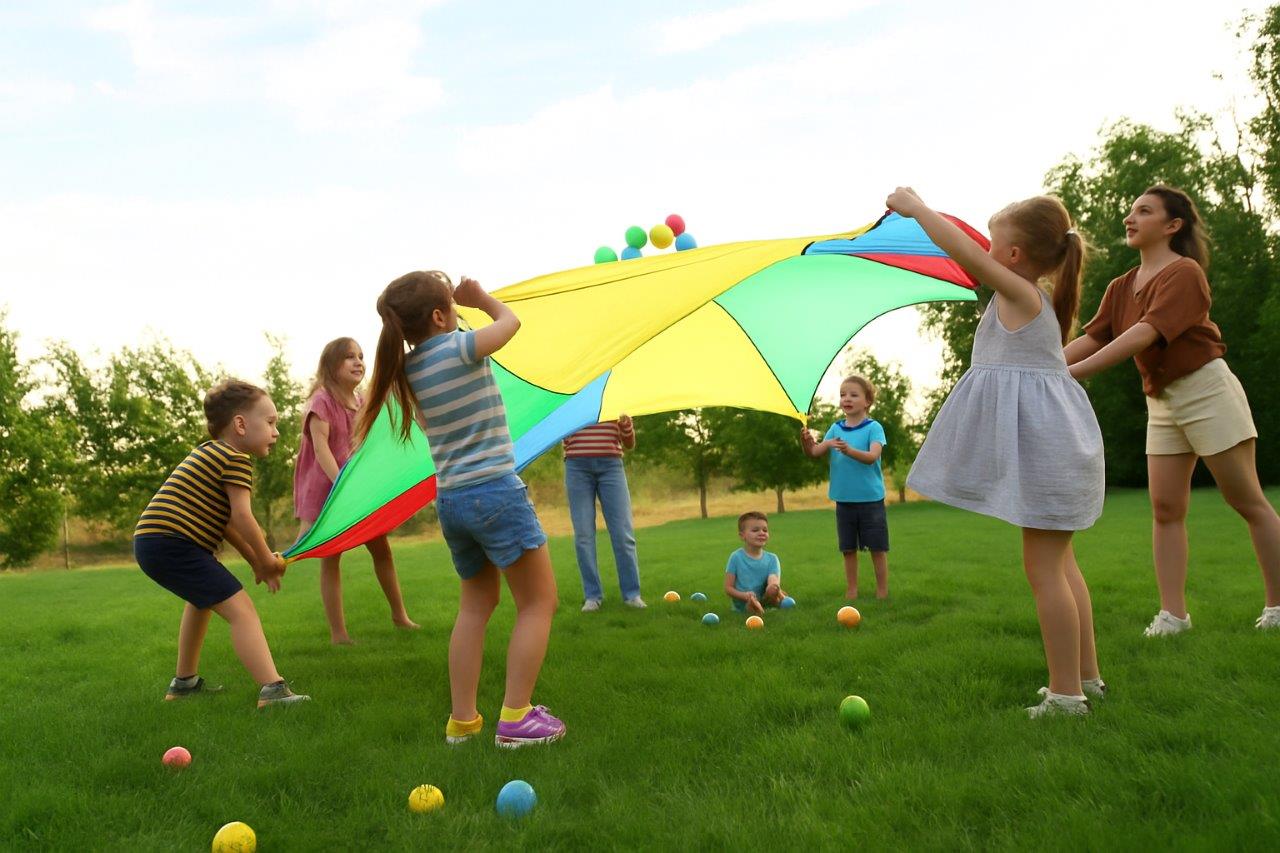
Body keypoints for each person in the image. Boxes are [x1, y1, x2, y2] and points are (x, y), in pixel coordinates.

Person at [889, 187, 1107, 718]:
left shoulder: (1021, 295)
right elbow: (974, 254)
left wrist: (918, 210)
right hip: (1057, 451)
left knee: (1045, 571)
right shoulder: (1030, 300)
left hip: (1052, 454)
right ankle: (1086, 678)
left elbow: (965, 254)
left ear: (1012, 256)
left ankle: (1067, 697)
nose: (985, 250)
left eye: (993, 243)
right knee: (1062, 565)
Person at [357, 270, 564, 748]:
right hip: (494, 492)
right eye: (451, 307)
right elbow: (511, 323)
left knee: (476, 606)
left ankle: (463, 721)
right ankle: (516, 717)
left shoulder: (406, 373)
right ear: (438, 316)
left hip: (451, 500)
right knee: (538, 603)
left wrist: (459, 307)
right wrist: (481, 299)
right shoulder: (459, 347)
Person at [1065, 184, 1280, 635]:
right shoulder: (1121, 286)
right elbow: (1095, 337)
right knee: (1165, 508)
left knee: (1247, 501)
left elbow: (1145, 333)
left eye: (1144, 211)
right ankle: (1173, 616)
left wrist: (1072, 374)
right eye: (1131, 211)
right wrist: (1042, 365)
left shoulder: (1185, 273)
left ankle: (1278, 606)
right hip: (1161, 401)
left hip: (1207, 390)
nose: (1130, 218)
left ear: (1172, 225)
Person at [134, 379, 309, 708]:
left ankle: (184, 684)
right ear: (240, 425)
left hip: (154, 542)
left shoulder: (208, 452)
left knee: (200, 601)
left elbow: (227, 522)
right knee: (243, 612)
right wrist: (266, 560)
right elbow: (242, 517)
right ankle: (272, 690)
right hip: (174, 543)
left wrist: (256, 562)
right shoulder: (235, 458)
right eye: (270, 422)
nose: (276, 432)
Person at [294, 336, 418, 644]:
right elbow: (321, 449)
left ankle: (400, 615)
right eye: (350, 356)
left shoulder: (361, 401)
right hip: (328, 488)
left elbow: (369, 441)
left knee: (382, 550)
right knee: (330, 556)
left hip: (354, 488)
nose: (358, 361)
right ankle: (338, 633)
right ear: (331, 365)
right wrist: (342, 486)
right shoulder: (322, 400)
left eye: (361, 356)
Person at [801, 375, 890, 600]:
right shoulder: (835, 428)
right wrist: (807, 442)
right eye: (843, 395)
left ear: (867, 401)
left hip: (871, 500)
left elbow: (872, 456)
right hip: (844, 501)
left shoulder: (874, 428)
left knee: (877, 548)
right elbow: (814, 452)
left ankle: (882, 592)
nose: (846, 399)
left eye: (853, 395)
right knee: (848, 549)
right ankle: (852, 591)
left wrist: (849, 451)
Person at [563, 416, 645, 612]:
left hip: (611, 465)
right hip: (576, 466)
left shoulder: (614, 402)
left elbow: (630, 445)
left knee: (623, 534)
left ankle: (632, 595)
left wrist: (626, 426)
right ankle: (592, 596)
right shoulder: (571, 401)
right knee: (583, 536)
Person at [724, 511, 787, 614]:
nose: (762, 533)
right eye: (755, 530)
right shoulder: (736, 557)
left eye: (765, 530)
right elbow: (728, 588)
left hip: (765, 598)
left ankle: (769, 605)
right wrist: (745, 596)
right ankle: (756, 608)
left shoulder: (772, 559)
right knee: (751, 603)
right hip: (743, 604)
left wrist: (773, 588)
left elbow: (773, 580)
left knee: (773, 589)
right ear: (742, 536)